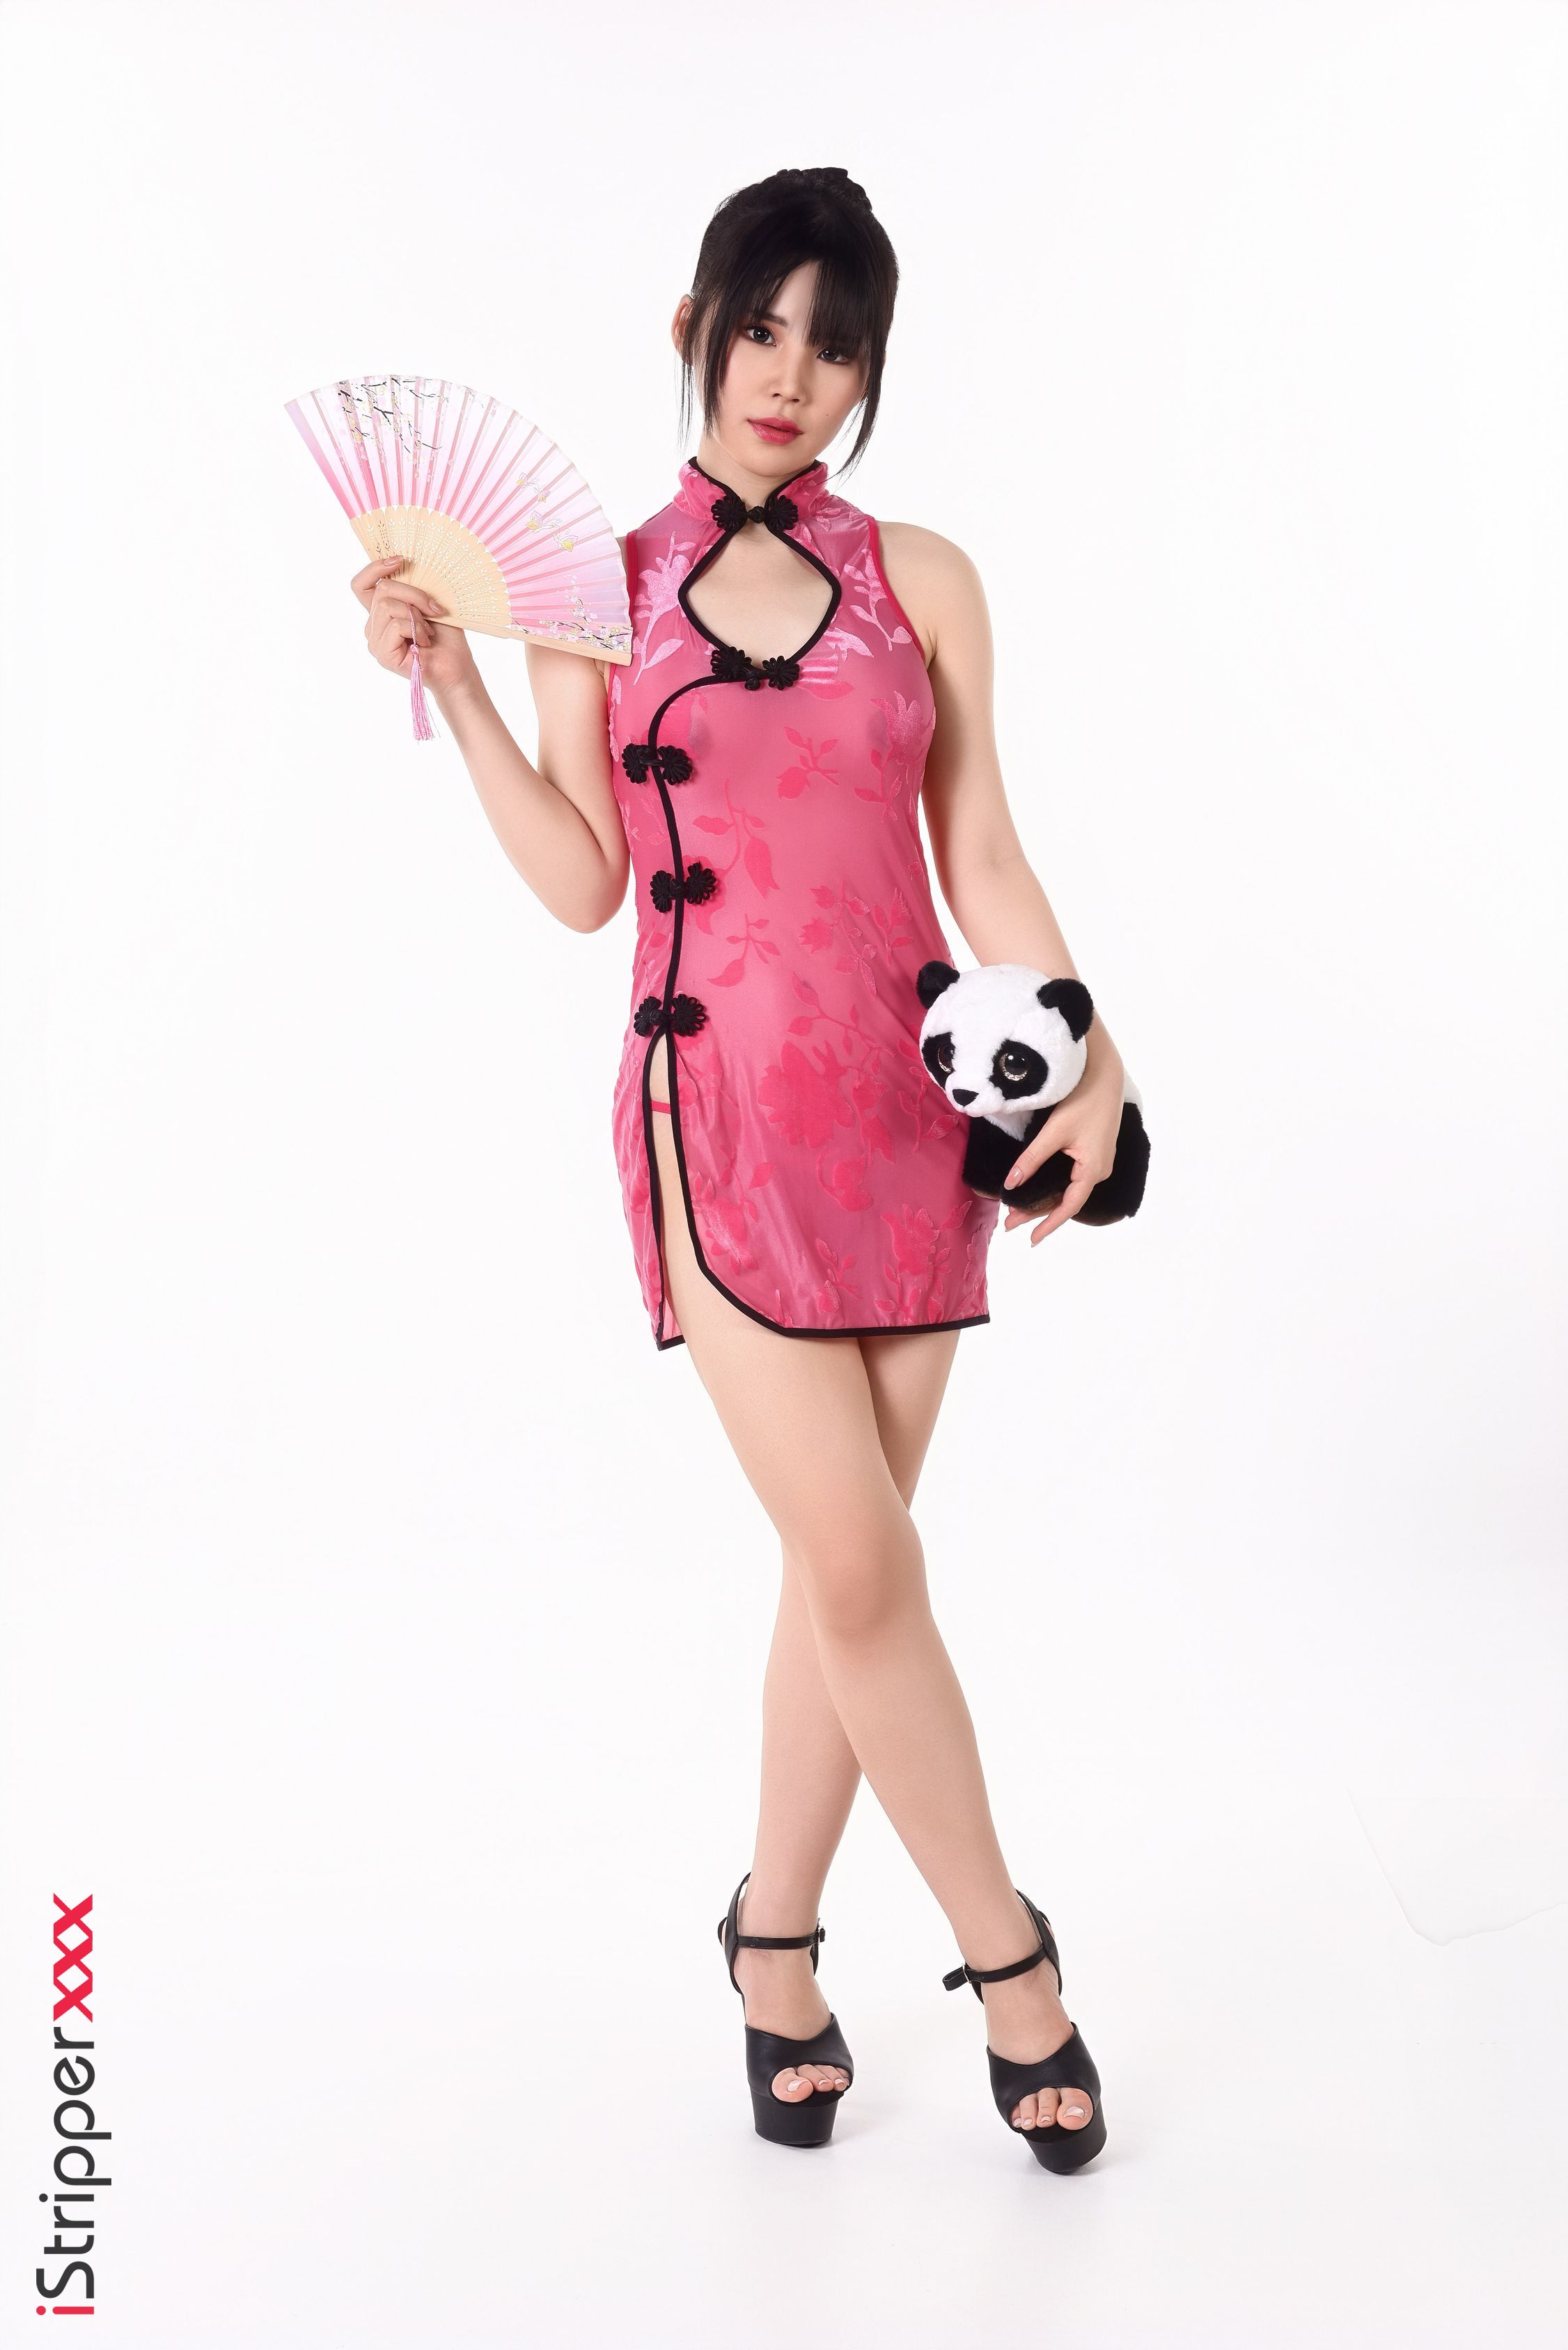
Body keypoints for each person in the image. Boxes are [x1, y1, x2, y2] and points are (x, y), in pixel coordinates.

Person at [352, 166, 1126, 2172]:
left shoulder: (923, 578)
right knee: (865, 1567)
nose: (792, 373)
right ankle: (1013, 1969)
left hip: (913, 1124)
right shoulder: (592, 591)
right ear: (693, 326)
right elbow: (584, 885)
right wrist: (459, 684)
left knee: (840, 1575)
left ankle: (771, 1944)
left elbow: (984, 850)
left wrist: (1094, 1050)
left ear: (870, 369)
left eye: (835, 343)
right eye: (761, 325)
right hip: (717, 1123)